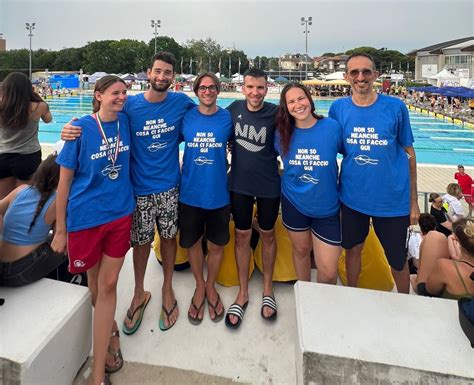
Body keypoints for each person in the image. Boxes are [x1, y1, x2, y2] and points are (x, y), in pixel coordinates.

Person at [61, 52, 195, 333]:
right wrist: (72, 128)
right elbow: (100, 120)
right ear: (149, 73)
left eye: (167, 72)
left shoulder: (182, 103)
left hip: (171, 187)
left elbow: (206, 115)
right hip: (139, 190)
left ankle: (167, 289)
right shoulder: (129, 106)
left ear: (173, 77)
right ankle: (138, 292)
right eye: (157, 71)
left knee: (170, 239)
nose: (161, 77)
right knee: (142, 243)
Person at [52, 75, 135, 385]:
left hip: (120, 214)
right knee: (94, 284)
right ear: (98, 96)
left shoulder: (125, 122)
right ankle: (111, 329)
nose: (121, 98)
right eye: (115, 93)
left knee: (109, 283)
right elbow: (64, 182)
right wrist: (61, 230)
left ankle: (97, 374)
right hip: (86, 219)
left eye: (124, 93)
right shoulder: (79, 129)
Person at [328, 53, 420, 294]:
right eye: (355, 72)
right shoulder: (338, 109)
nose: (361, 77)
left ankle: (404, 302)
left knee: (397, 259)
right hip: (352, 198)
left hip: (392, 201)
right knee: (353, 250)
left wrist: (413, 202)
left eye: (366, 72)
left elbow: (409, 153)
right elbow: (333, 147)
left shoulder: (396, 107)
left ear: (375, 76)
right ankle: (353, 294)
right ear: (347, 76)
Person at [225, 69, 281, 329]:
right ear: (242, 88)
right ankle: (243, 292)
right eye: (250, 87)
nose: (255, 92)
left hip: (269, 185)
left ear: (266, 88)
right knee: (242, 236)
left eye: (260, 87)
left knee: (268, 235)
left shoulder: (276, 112)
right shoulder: (233, 108)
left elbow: (304, 125)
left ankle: (267, 290)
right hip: (239, 185)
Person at [274, 83, 343, 286]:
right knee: (301, 251)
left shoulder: (331, 127)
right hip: (294, 201)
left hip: (327, 205)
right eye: (291, 101)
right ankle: (304, 293)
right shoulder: (281, 133)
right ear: (286, 107)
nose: (298, 105)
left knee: (329, 271)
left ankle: (322, 303)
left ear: (309, 100)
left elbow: (351, 158)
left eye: (301, 98)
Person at [179, 72, 232, 325]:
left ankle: (211, 285)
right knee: (192, 242)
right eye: (203, 87)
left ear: (218, 90)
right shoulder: (186, 117)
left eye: (212, 88)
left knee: (216, 244)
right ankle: (199, 285)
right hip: (190, 192)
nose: (208, 91)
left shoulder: (227, 118)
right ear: (196, 90)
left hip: (219, 193)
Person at [0, 154, 66, 286]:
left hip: (2, 269)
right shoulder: (59, 201)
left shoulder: (20, 190)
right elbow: (59, 243)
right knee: (69, 247)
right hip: (21, 271)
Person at [0, 72, 52, 199]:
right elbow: (48, 119)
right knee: (24, 200)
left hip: (3, 156)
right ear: (29, 89)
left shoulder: (2, 108)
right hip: (28, 157)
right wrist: (36, 96)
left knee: (2, 201)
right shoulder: (40, 106)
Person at [418, 218, 474, 299]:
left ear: (456, 239)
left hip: (442, 304)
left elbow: (430, 290)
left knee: (434, 236)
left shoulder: (444, 266)